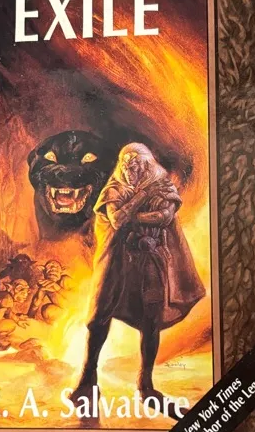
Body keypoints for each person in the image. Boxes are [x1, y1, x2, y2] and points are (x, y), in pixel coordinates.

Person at [72, 143, 205, 408]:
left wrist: (135, 215)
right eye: (126, 165)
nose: (130, 170)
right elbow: (117, 221)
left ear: (147, 165)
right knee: (99, 317)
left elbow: (164, 217)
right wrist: (141, 199)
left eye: (136, 165)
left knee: (151, 320)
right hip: (117, 263)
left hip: (150, 260)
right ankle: (88, 378)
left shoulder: (163, 187)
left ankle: (146, 383)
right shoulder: (114, 190)